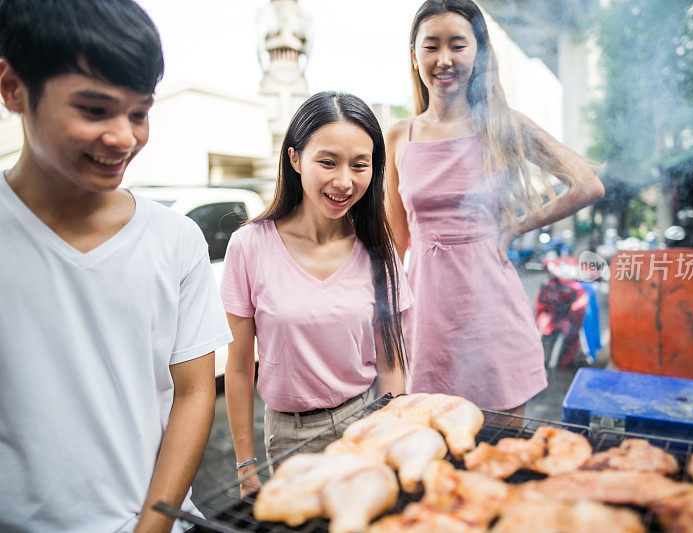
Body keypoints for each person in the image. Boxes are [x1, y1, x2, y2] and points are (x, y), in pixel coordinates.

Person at [0, 1, 232, 531]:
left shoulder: (174, 238)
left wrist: (152, 526)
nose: (124, 138)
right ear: (13, 88)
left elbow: (195, 393)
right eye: (94, 109)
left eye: (139, 113)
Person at [385, 0, 605, 411]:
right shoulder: (399, 135)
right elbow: (395, 243)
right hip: (426, 315)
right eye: (431, 46)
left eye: (458, 45)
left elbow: (586, 184)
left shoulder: (504, 125)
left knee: (504, 449)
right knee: (433, 448)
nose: (444, 59)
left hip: (491, 310)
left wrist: (517, 226)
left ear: (479, 51)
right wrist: (381, 320)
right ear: (414, 56)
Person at [221, 91, 411, 495]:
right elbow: (238, 368)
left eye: (360, 165)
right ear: (295, 159)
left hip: (367, 423)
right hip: (291, 438)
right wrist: (245, 467)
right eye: (328, 162)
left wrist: (391, 437)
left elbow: (391, 362)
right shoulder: (249, 245)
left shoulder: (379, 249)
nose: (344, 181)